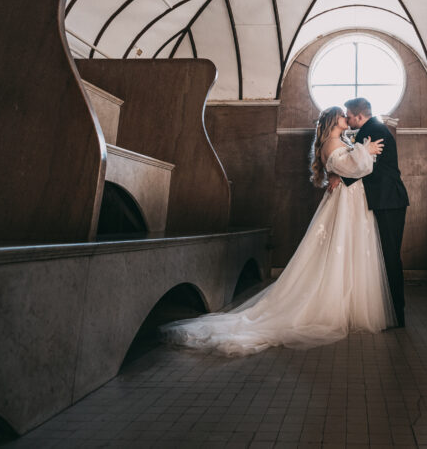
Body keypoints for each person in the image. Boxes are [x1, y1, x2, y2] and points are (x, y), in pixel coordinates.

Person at [160, 106, 395, 356]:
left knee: (349, 250)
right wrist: (364, 151)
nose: (345, 118)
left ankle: (349, 305)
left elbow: (353, 169)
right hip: (344, 205)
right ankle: (330, 306)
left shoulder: (341, 140)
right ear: (332, 121)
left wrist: (359, 153)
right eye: (341, 115)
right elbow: (352, 168)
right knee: (335, 251)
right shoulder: (330, 143)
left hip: (352, 203)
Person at [333, 97, 410, 328]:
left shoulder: (373, 130)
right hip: (384, 200)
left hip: (389, 201)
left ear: (358, 116)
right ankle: (392, 312)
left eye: (348, 115)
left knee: (390, 256)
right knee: (386, 255)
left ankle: (397, 314)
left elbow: (366, 166)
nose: (347, 119)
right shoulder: (369, 129)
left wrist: (341, 175)